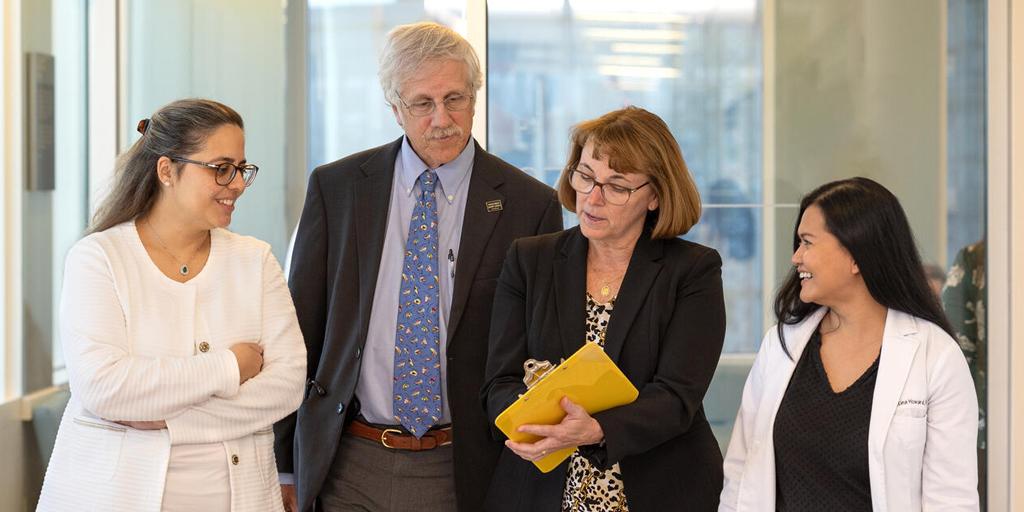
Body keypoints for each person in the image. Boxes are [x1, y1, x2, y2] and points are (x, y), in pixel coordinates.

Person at [274, 22, 563, 512]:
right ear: (394, 107)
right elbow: (300, 332)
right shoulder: (338, 188)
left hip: (465, 465)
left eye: (455, 99)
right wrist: (285, 463)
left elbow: (540, 347)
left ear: (475, 97)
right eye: (422, 104)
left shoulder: (529, 205)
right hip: (347, 460)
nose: (441, 119)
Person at [36, 98, 307, 511]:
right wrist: (231, 366)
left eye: (241, 169)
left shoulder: (255, 260)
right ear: (167, 170)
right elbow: (104, 388)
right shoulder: (98, 258)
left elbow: (286, 386)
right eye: (221, 168)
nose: (236, 184)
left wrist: (170, 420)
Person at [482, 106, 727, 511]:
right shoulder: (529, 259)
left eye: (617, 186)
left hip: (657, 487)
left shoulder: (693, 270)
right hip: (541, 487)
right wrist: (532, 424)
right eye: (586, 176)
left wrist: (595, 429)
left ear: (655, 195)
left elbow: (677, 396)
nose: (593, 198)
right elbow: (498, 383)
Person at [720, 177, 979, 511]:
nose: (796, 257)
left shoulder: (936, 357)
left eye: (807, 243)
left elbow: (951, 500)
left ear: (857, 256)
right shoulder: (782, 345)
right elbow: (741, 474)